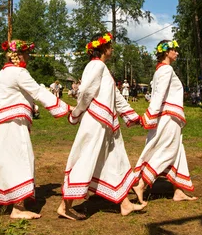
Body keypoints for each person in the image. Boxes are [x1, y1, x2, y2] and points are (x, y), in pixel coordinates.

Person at [0, 39, 70, 219]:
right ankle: (18, 208)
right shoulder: (19, 73)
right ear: (19, 55)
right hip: (13, 124)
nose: (29, 57)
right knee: (21, 159)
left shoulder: (3, 73)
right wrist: (64, 108)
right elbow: (38, 92)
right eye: (26, 53)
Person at [58, 32, 144, 220]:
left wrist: (132, 116)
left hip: (105, 122)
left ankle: (125, 204)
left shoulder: (102, 68)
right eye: (110, 45)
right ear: (103, 48)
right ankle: (64, 206)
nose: (112, 48)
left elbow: (116, 97)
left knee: (115, 159)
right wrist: (76, 113)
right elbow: (85, 92)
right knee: (86, 159)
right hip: (96, 121)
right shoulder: (96, 65)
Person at [133, 40, 197, 205]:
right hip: (169, 117)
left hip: (169, 115)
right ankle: (141, 185)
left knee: (177, 151)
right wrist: (150, 115)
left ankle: (178, 191)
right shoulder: (166, 69)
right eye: (174, 50)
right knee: (168, 150)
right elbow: (159, 95)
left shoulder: (161, 70)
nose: (176, 52)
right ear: (166, 52)